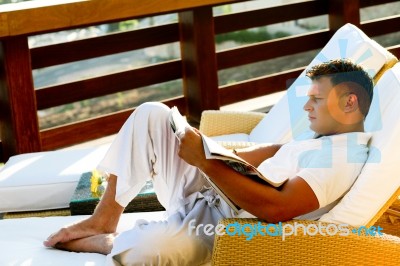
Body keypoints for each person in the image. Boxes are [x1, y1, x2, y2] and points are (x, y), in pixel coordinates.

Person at [43, 59, 374, 265]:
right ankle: (104, 219)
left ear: (349, 101)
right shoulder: (323, 140)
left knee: (149, 250)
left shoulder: (343, 156)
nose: (307, 108)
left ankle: (109, 243)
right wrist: (211, 151)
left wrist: (205, 162)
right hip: (214, 190)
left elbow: (278, 209)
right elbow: (271, 153)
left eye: (316, 99)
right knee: (153, 115)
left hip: (226, 226)